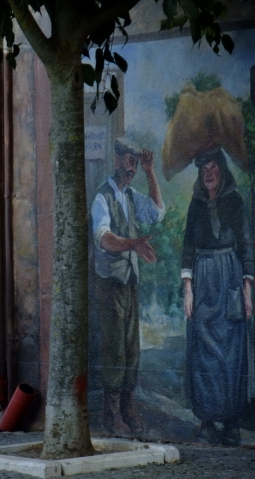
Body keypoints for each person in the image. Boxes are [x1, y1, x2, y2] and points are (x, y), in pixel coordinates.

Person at [90, 137, 165, 435]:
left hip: (129, 280)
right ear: (117, 159)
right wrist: (132, 243)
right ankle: (111, 415)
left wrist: (151, 172)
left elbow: (157, 213)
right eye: (131, 160)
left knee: (131, 348)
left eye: (137, 162)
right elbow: (103, 237)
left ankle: (127, 408)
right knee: (114, 347)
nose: (133, 166)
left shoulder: (133, 195)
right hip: (109, 281)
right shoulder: (102, 197)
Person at [182, 145, 253, 446]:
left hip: (230, 278)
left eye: (214, 168)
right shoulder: (196, 205)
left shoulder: (235, 201)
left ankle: (231, 422)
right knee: (203, 351)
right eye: (204, 169)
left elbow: (247, 245)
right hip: (203, 278)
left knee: (232, 352)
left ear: (222, 171)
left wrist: (248, 290)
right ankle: (208, 419)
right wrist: (188, 289)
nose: (209, 174)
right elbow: (187, 247)